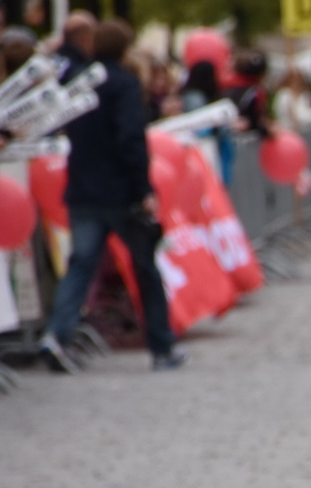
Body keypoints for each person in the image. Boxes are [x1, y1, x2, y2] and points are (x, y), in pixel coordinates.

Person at [42, 19, 183, 373]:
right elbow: (131, 139)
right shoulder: (122, 84)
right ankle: (162, 347)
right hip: (119, 192)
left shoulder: (79, 83)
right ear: (124, 49)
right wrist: (143, 189)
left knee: (80, 266)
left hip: (83, 187)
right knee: (145, 268)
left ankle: (56, 336)